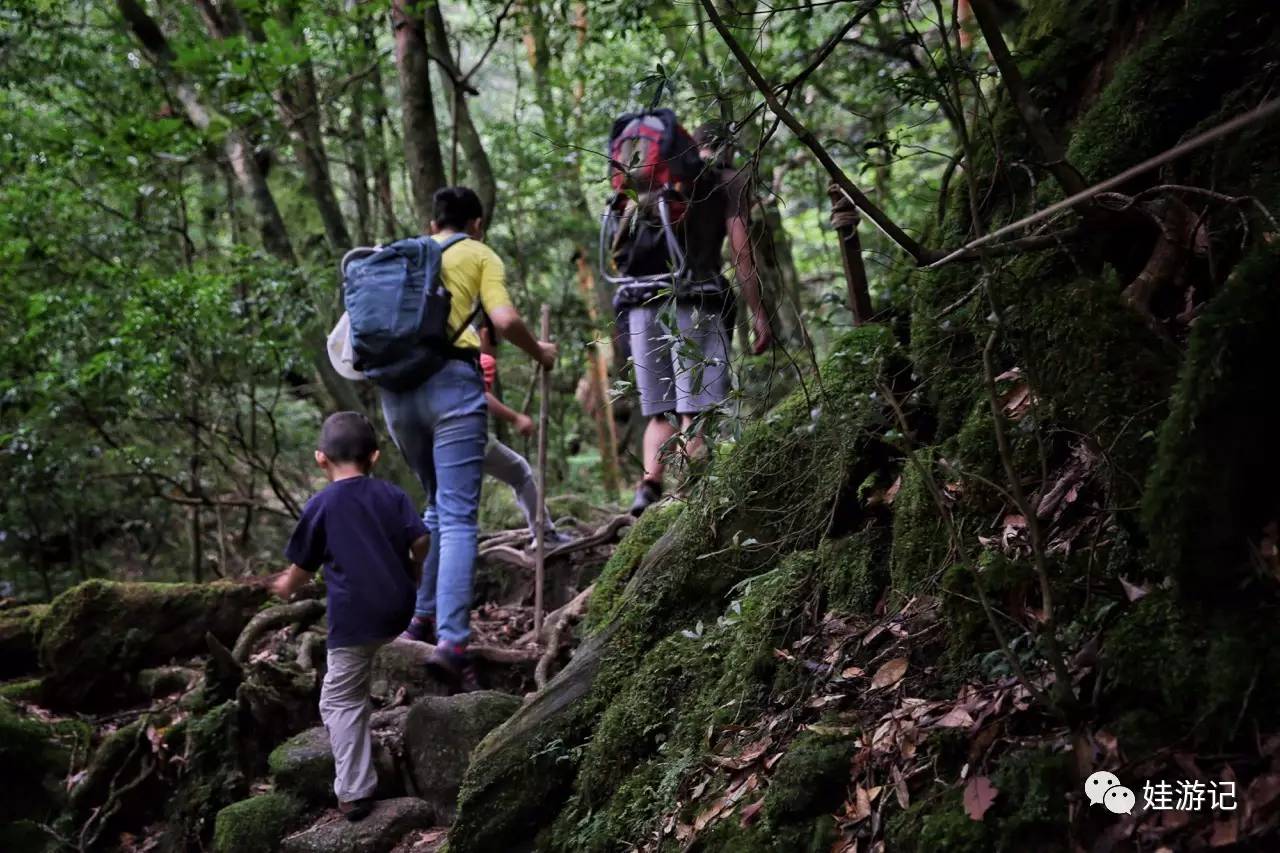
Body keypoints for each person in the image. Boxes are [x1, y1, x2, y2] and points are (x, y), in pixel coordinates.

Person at [379, 186, 555, 691]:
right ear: (476, 223)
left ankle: (422, 617)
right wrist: (539, 353)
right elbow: (503, 320)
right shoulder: (478, 253)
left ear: (432, 222)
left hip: (396, 395)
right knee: (457, 516)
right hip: (450, 388)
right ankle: (452, 642)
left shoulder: (403, 256)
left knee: (436, 506)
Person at [272, 412, 429, 823]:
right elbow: (422, 539)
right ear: (374, 457)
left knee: (338, 698)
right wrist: (414, 567)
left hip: (355, 620)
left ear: (320, 459)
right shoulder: (392, 495)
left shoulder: (321, 505)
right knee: (356, 679)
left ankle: (355, 792)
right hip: (398, 608)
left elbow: (301, 568)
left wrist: (286, 587)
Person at [625, 121, 773, 516]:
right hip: (696, 301)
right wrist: (759, 313)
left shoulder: (659, 181)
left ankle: (648, 488)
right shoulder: (728, 180)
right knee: (694, 407)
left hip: (641, 304)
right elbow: (742, 254)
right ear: (728, 148)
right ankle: (694, 503)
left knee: (661, 408)